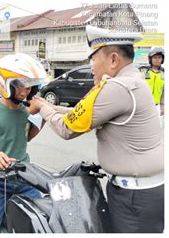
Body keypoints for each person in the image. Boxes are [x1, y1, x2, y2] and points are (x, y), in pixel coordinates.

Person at [28, 25, 164, 233]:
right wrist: (46, 105)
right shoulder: (132, 80)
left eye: (93, 58)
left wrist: (42, 108)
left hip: (134, 198)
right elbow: (78, 112)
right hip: (142, 192)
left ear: (113, 59)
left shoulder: (117, 88)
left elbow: (67, 128)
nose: (90, 66)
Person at [0, 54, 45, 233]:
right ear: (6, 83)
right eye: (20, 85)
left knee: (46, 222)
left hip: (25, 178)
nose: (25, 92)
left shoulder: (26, 111)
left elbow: (26, 137)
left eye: (29, 86)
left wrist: (43, 116)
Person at [140, 47, 164, 115]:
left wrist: (162, 107)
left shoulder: (164, 74)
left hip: (156, 106)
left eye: (159, 57)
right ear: (150, 59)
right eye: (155, 57)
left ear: (162, 59)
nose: (157, 59)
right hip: (142, 105)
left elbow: (164, 92)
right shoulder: (142, 71)